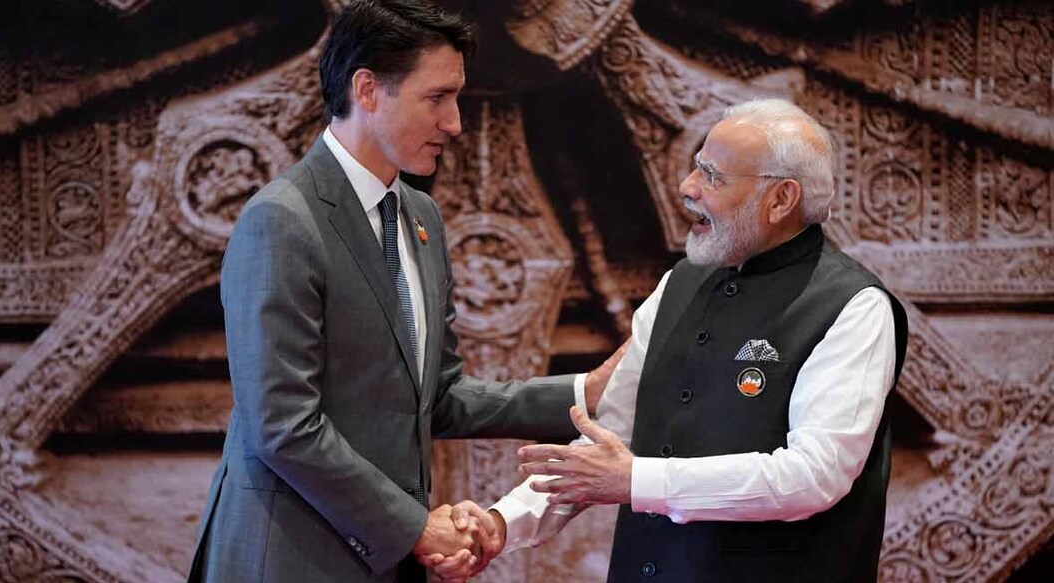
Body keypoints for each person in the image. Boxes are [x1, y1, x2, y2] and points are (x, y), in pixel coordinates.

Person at [186, 1, 618, 581]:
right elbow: (281, 425)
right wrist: (415, 526)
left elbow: (436, 394)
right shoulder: (282, 220)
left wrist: (582, 391)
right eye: (436, 98)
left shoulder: (420, 217)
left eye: (456, 98)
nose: (455, 123)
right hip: (288, 559)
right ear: (367, 90)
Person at [428, 98, 909, 583]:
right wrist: (499, 525)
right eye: (696, 168)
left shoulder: (854, 307)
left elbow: (814, 477)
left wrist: (637, 480)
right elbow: (609, 439)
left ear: (781, 200)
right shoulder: (678, 283)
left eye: (714, 177)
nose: (687, 188)